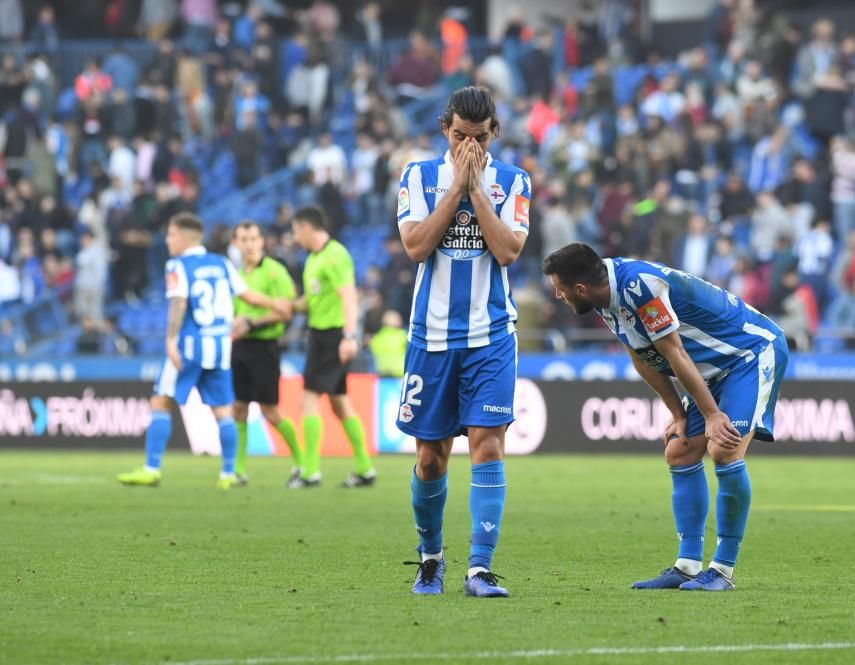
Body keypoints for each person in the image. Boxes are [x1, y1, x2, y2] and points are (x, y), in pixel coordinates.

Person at [542, 243, 788, 591]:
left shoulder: (639, 288)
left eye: (560, 288)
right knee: (680, 450)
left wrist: (712, 415)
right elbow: (641, 354)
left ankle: (722, 570)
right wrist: (677, 413)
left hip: (750, 353)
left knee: (724, 449)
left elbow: (673, 351)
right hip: (714, 371)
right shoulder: (603, 293)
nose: (557, 294)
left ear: (579, 289)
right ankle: (688, 565)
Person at [395, 86, 531, 598]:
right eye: (458, 136)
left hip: (491, 336)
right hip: (429, 338)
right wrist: (457, 187)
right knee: (430, 457)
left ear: (494, 132)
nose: (467, 146)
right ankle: (431, 560)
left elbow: (508, 251)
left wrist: (477, 190)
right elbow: (415, 246)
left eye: (477, 137)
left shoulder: (514, 181)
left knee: (488, 445)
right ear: (443, 130)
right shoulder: (417, 176)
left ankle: (479, 568)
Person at [117, 214, 291, 489]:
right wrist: (276, 304)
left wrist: (171, 339)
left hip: (189, 346)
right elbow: (248, 295)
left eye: (171, 235)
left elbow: (179, 303)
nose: (167, 240)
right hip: (220, 348)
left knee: (161, 401)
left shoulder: (177, 265)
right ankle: (228, 473)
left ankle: (151, 468)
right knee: (223, 411)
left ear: (185, 238)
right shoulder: (221, 263)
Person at [290, 205, 376, 489]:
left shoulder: (335, 254)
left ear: (306, 227)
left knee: (309, 398)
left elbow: (349, 296)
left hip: (332, 336)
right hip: (322, 334)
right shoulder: (313, 259)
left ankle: (310, 472)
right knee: (340, 403)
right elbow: (312, 299)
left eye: (295, 231)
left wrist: (350, 336)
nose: (294, 237)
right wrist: (288, 307)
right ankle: (365, 468)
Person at [229, 221, 301, 487]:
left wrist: (252, 322)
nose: (248, 244)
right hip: (240, 347)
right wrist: (236, 322)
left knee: (270, 411)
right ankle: (237, 470)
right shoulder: (236, 274)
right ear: (236, 243)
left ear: (262, 242)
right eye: (243, 239)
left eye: (253, 239)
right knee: (239, 407)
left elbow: (286, 310)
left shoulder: (275, 272)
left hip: (265, 347)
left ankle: (301, 464)